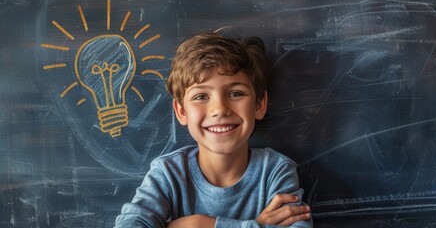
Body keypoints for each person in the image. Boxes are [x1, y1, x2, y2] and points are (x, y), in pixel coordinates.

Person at [114, 32, 312, 227]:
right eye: (201, 96)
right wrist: (254, 226)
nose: (219, 109)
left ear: (259, 104)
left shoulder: (275, 170)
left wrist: (195, 224)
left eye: (235, 93)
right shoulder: (168, 173)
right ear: (181, 111)